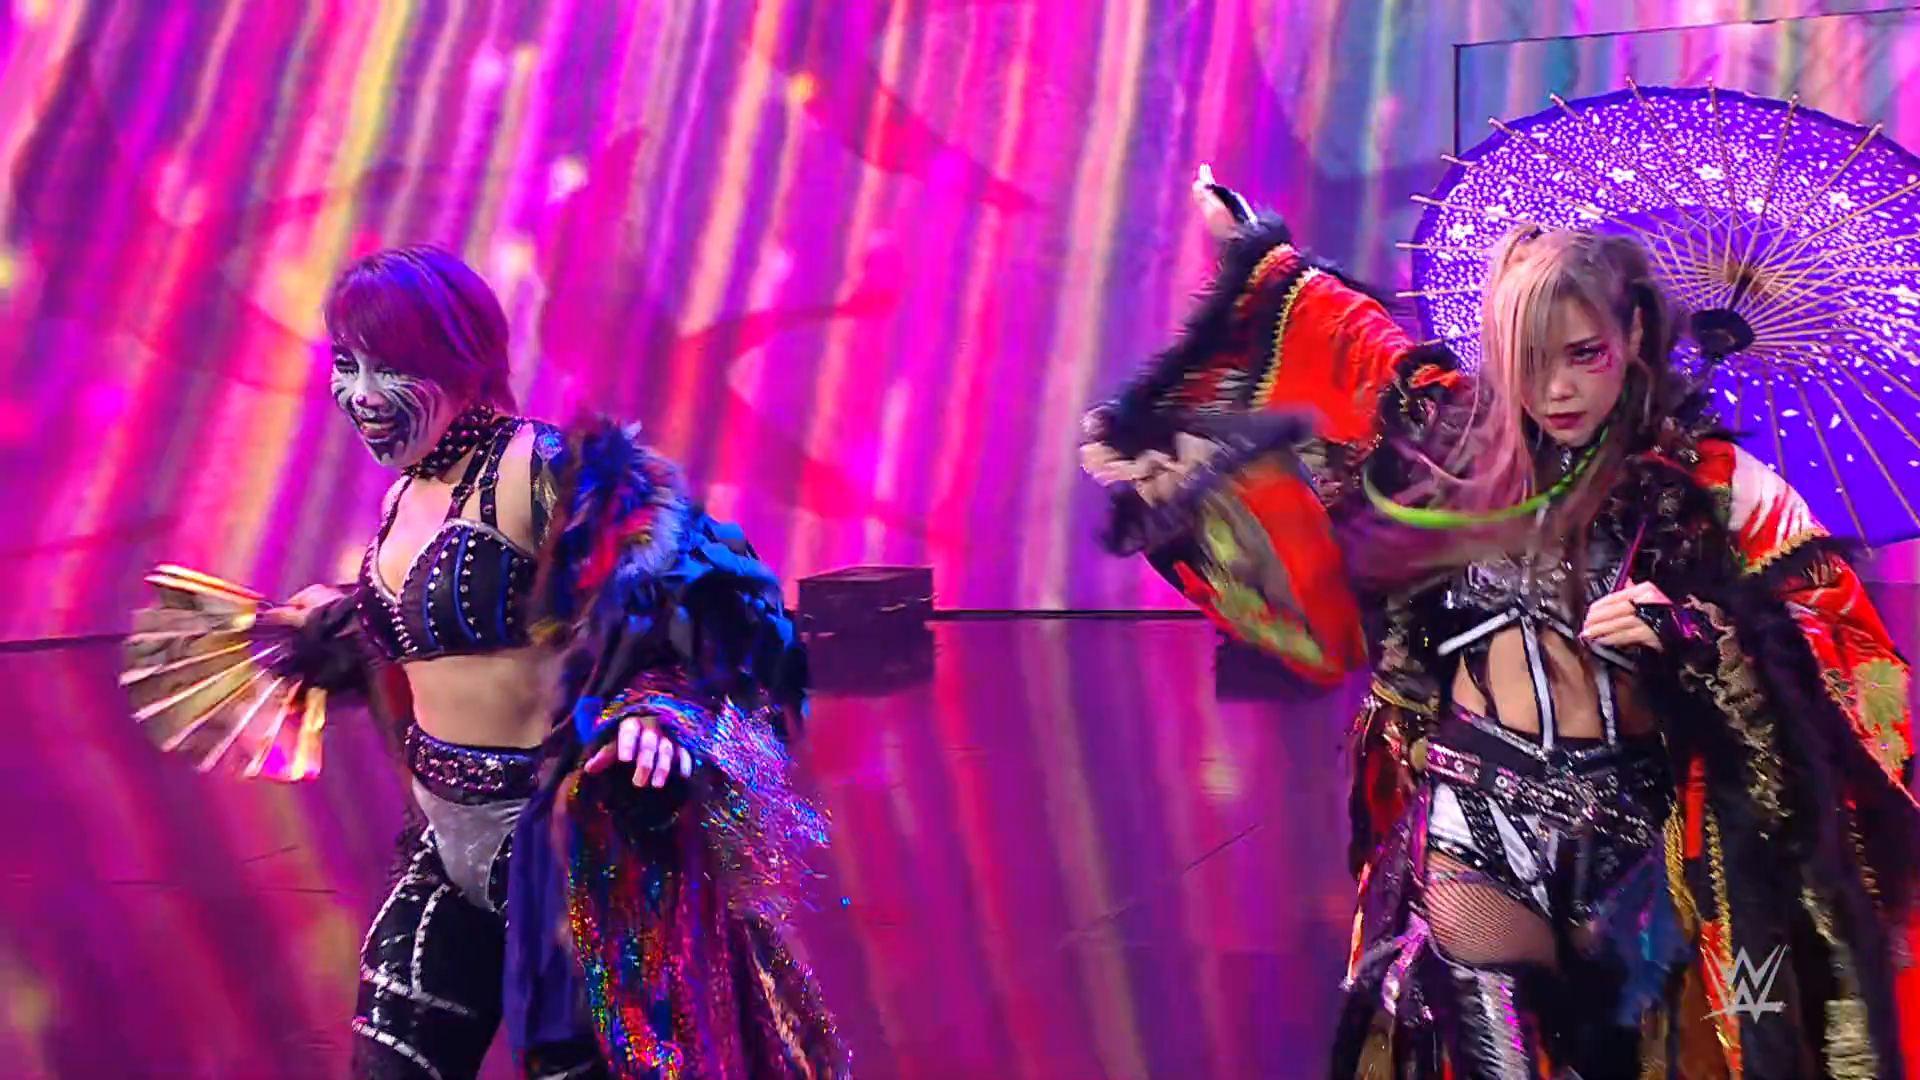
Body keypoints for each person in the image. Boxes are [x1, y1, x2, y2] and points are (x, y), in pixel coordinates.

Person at [1081, 168, 1920, 1078]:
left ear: (1633, 338)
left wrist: (1699, 631)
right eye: (1528, 359)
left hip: (1646, 842)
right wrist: (1248, 246)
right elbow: (1345, 335)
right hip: (1475, 814)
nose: (1554, 389)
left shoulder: (1719, 490)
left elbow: (1849, 654)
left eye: (1584, 354)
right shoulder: (1447, 441)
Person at [183, 246, 844, 1079]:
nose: (361, 395)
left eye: (389, 369)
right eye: (346, 365)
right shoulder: (403, 492)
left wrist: (658, 708)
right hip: (441, 844)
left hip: (568, 860)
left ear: (462, 360)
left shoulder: (538, 467)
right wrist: (330, 637)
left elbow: (709, 600)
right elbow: (449, 639)